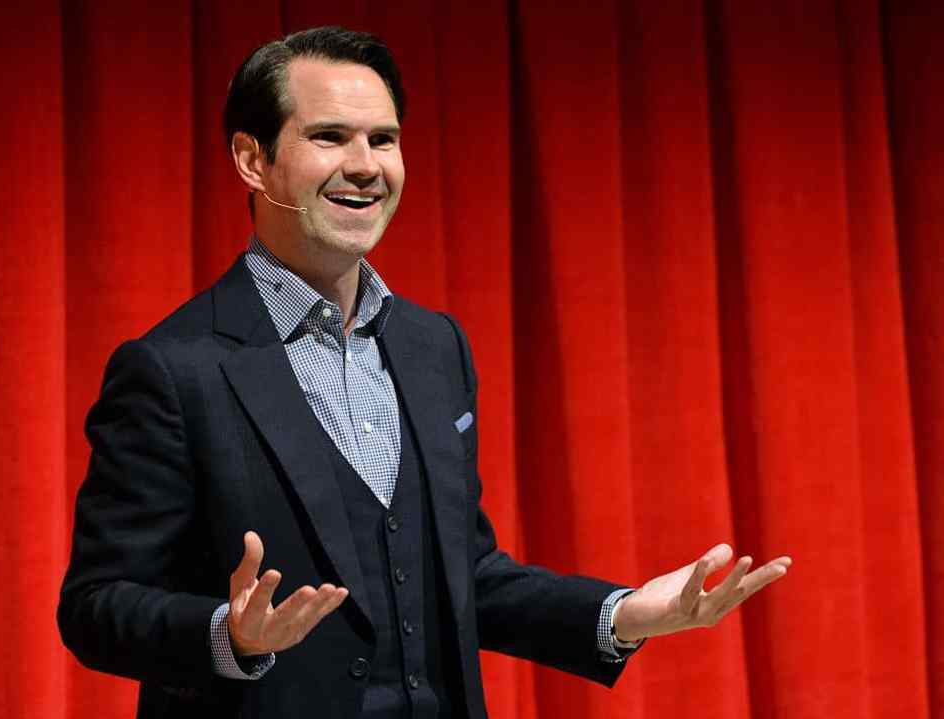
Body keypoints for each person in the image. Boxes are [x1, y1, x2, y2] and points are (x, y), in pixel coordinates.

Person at [58, 26, 791, 719]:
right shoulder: (172, 368)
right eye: (329, 137)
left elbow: (462, 574)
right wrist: (229, 633)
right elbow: (95, 605)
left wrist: (623, 613)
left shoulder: (434, 346)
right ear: (252, 160)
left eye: (383, 139)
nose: (365, 165)